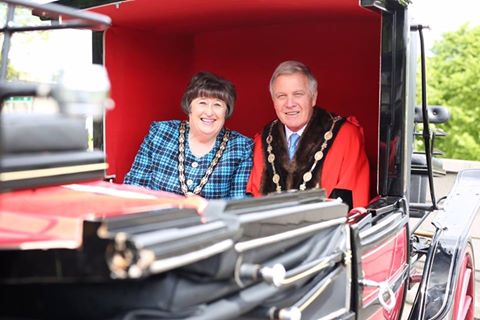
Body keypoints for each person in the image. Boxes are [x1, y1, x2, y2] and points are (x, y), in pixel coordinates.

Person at [247, 61, 370, 208]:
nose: (290, 103)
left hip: (325, 229)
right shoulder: (264, 140)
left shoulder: (345, 136)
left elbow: (351, 201)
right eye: (281, 96)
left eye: (298, 94)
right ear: (274, 101)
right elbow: (255, 198)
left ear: (313, 97)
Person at [124, 72, 253, 199]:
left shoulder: (241, 147)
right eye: (202, 103)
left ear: (226, 111)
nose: (209, 112)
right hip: (157, 218)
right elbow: (134, 188)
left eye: (217, 105)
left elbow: (238, 205)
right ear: (189, 106)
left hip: (211, 220)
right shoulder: (161, 133)